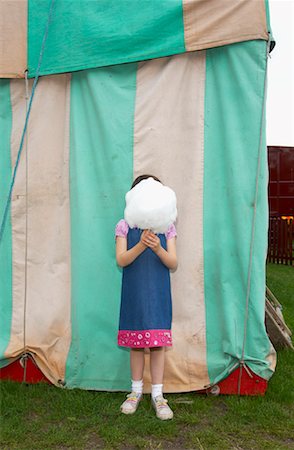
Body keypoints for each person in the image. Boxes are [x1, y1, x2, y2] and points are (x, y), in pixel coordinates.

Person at [115, 174, 177, 420]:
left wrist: (157, 246)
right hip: (135, 291)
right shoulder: (124, 226)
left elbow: (173, 262)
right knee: (137, 343)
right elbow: (121, 259)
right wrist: (141, 245)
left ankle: (158, 395)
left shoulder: (168, 226)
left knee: (157, 343)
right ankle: (135, 392)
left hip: (158, 291)